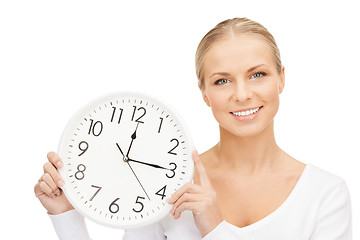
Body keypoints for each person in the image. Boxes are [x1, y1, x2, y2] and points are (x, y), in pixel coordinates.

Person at [34, 17, 352, 239]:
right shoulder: (164, 183)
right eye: (222, 80)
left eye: (258, 74)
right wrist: (65, 215)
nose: (242, 94)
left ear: (281, 78)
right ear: (204, 93)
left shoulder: (325, 195)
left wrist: (214, 229)